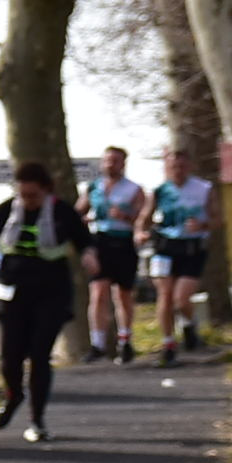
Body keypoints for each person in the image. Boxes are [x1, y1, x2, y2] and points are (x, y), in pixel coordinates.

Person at [0, 162, 96, 441]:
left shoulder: (62, 212)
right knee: (10, 357)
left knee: (40, 355)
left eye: (33, 196)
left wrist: (89, 257)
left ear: (46, 190)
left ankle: (36, 420)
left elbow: (85, 242)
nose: (27, 201)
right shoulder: (7, 210)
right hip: (12, 291)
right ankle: (13, 396)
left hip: (51, 293)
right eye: (23, 195)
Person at [81, 146, 148, 362]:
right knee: (98, 292)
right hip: (100, 242)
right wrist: (81, 222)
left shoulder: (134, 189)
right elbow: (78, 211)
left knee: (123, 294)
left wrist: (125, 216)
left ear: (123, 164)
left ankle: (125, 340)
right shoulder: (93, 187)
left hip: (124, 242)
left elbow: (143, 218)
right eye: (107, 160)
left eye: (115, 161)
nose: (110, 164)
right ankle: (98, 343)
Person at [150, 147, 214, 366]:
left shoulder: (204, 188)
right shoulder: (159, 190)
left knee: (181, 298)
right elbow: (144, 217)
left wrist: (203, 225)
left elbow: (218, 219)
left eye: (182, 166)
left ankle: (189, 323)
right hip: (165, 247)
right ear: (167, 167)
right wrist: (140, 232)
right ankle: (168, 344)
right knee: (165, 295)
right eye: (173, 166)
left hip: (192, 248)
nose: (178, 170)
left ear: (190, 166)